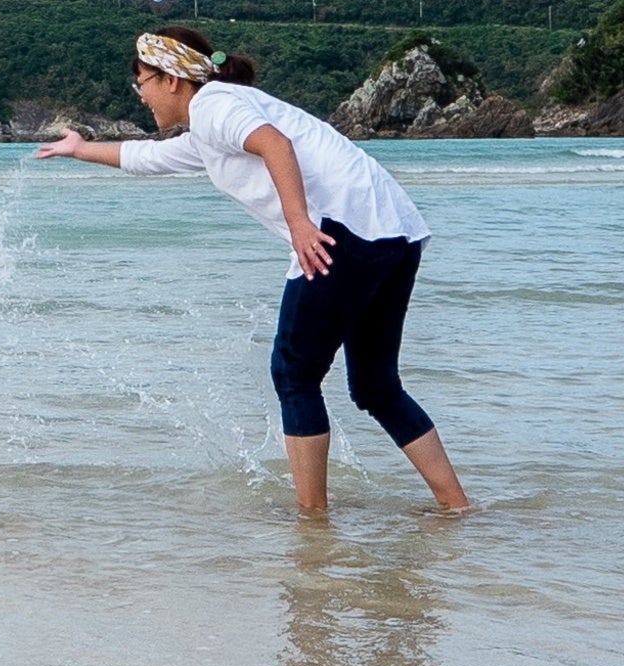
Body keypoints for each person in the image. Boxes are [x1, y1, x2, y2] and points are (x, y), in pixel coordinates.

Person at [41, 27, 469, 515]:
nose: (140, 96)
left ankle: (312, 520)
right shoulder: (212, 125)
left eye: (141, 82)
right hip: (393, 231)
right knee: (374, 386)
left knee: (293, 374)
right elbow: (148, 157)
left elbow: (274, 144)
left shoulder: (216, 106)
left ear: (173, 79)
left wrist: (300, 224)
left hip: (341, 231)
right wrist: (79, 149)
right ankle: (456, 507)